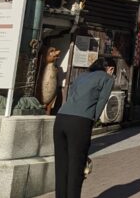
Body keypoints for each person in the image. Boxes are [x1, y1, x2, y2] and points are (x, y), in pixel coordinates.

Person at [53, 56, 115, 198]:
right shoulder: (107, 78)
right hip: (80, 121)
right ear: (110, 69)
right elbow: (102, 101)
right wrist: (92, 121)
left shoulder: (82, 76)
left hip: (61, 118)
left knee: (61, 165)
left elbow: (71, 95)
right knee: (76, 165)